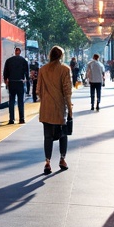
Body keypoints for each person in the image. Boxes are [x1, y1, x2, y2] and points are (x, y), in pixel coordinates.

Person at [36, 46, 73, 174]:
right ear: (61, 56)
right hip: (60, 108)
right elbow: (67, 91)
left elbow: (38, 90)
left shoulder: (42, 69)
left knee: (47, 136)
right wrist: (70, 109)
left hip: (46, 109)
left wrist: (46, 99)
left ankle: (47, 162)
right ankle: (62, 160)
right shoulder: (65, 69)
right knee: (63, 135)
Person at [3, 46, 30, 125]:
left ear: (15, 52)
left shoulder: (9, 61)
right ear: (20, 52)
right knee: (20, 101)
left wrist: (6, 81)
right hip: (20, 83)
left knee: (11, 101)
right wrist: (26, 80)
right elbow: (27, 73)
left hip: (12, 83)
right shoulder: (24, 61)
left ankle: (11, 119)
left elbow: (5, 73)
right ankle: (21, 119)